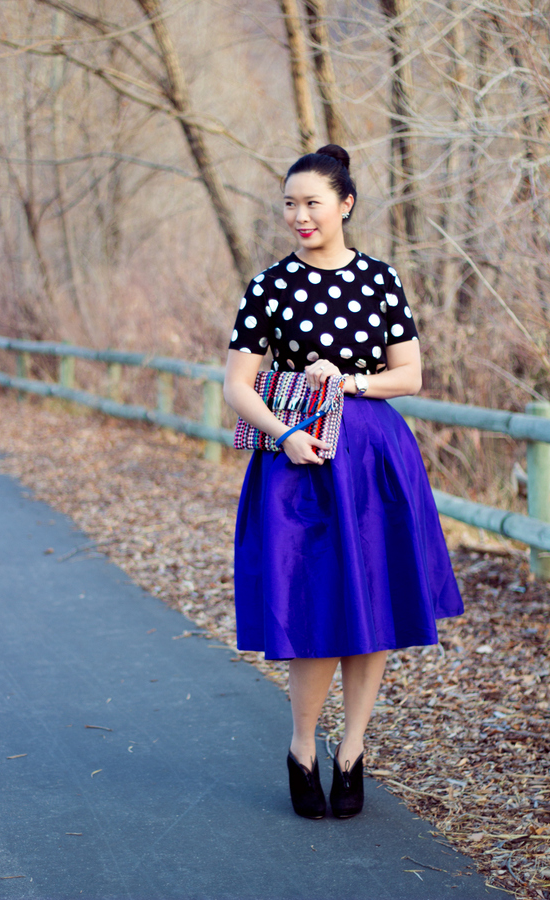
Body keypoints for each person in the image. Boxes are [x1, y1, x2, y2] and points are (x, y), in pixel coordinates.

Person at [223, 144, 463, 820]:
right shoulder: (270, 285)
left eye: (313, 203)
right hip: (299, 461)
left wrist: (350, 380)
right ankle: (303, 747)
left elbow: (409, 376)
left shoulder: (381, 280)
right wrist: (285, 435)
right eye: (291, 205)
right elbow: (236, 386)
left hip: (376, 458)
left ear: (345, 204)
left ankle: (353, 750)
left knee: (375, 607)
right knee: (315, 608)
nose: (300, 216)